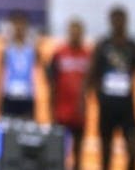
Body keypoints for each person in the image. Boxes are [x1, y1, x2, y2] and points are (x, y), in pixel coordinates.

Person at [87, 6, 135, 170]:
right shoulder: (103, 46)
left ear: (126, 21)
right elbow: (92, 74)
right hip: (107, 106)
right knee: (106, 151)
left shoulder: (134, 47)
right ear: (110, 22)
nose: (118, 23)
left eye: (121, 19)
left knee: (133, 149)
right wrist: (92, 97)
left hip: (127, 107)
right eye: (115, 20)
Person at [46, 17, 91, 170]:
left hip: (79, 112)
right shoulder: (59, 53)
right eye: (72, 32)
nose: (75, 35)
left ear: (82, 33)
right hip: (61, 111)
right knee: (59, 153)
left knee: (78, 153)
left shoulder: (88, 55)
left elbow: (91, 83)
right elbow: (51, 82)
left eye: (78, 32)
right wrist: (51, 108)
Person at [0, 10, 40, 120]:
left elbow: (40, 68)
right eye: (16, 25)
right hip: (10, 94)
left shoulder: (32, 49)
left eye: (22, 24)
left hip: (27, 95)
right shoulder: (6, 49)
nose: (19, 28)